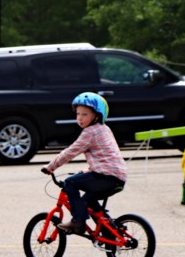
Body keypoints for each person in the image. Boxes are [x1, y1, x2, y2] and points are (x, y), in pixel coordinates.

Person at [41, 92, 127, 233]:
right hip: (117, 178)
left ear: (97, 116)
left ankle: (78, 222)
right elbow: (104, 155)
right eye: (78, 114)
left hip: (106, 177)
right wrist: (90, 170)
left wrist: (51, 167)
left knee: (70, 182)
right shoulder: (104, 129)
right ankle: (111, 231)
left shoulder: (90, 132)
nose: (80, 118)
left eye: (85, 114)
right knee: (88, 200)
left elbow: (70, 152)